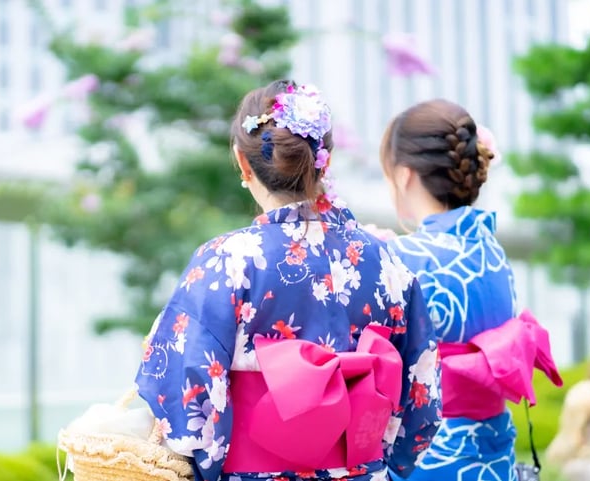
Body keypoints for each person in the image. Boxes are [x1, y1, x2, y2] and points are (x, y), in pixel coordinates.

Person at [135, 80, 441, 481]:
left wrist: (207, 463)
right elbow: (422, 393)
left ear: (243, 163)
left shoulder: (227, 261)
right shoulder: (387, 264)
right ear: (324, 161)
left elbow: (186, 391)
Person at [377, 99, 563, 481]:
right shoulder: (493, 252)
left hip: (428, 456)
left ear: (404, 176)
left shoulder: (402, 257)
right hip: (493, 454)